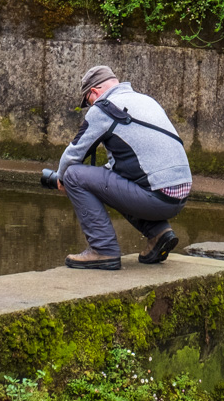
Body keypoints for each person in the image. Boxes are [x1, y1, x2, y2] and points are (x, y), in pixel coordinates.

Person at [54, 64, 192, 270]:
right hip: (180, 195)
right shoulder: (146, 100)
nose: (89, 106)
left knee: (73, 174)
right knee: (114, 177)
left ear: (94, 92)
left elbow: (73, 154)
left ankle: (103, 250)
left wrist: (60, 177)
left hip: (157, 197)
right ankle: (159, 233)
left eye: (87, 101)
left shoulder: (104, 107)